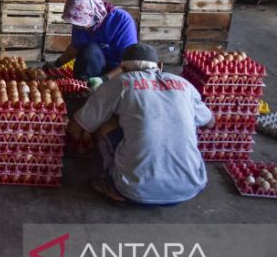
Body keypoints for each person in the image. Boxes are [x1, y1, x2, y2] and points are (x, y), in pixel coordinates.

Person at [68, 43, 215, 206]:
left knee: (105, 121)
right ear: (160, 66)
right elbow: (209, 123)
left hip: (134, 191)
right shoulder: (185, 85)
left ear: (122, 69)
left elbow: (79, 125)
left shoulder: (120, 83)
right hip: (190, 188)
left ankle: (112, 184)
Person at [45, 0, 137, 86]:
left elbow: (130, 62)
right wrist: (57, 64)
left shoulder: (121, 21)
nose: (79, 27)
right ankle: (84, 87)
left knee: (90, 50)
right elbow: (75, 46)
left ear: (93, 15)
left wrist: (104, 79)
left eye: (82, 23)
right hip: (95, 67)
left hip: (118, 70)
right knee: (89, 52)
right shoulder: (79, 24)